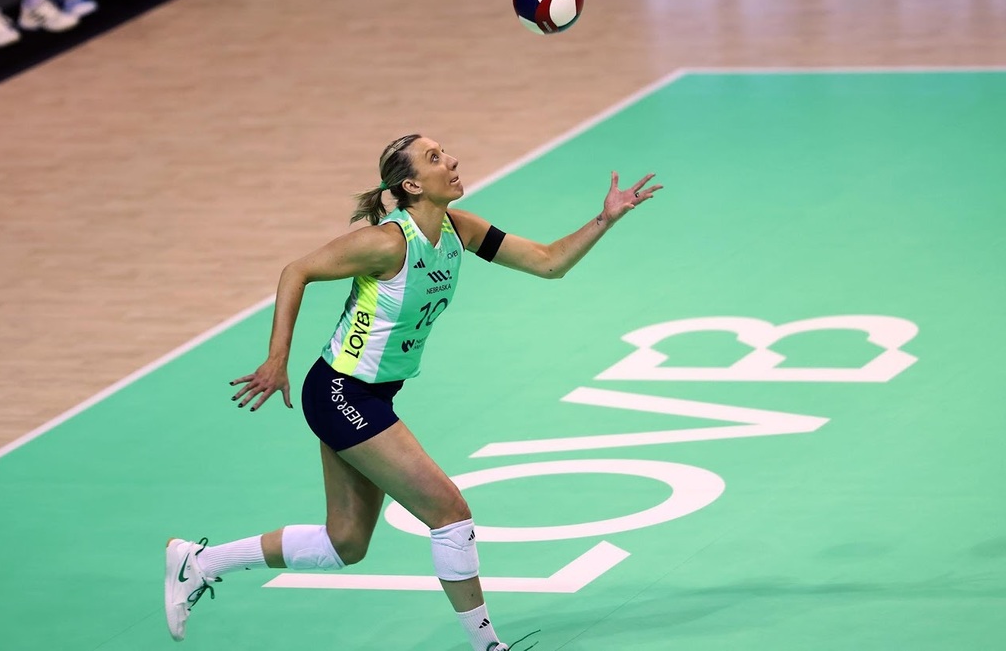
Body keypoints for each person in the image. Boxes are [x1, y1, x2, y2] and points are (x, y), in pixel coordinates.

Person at [164, 134, 661, 650]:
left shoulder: (458, 229)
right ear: (411, 185)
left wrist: (606, 218)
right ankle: (488, 646)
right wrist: (276, 358)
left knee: (345, 543)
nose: (452, 160)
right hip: (341, 392)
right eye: (435, 157)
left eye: (444, 152)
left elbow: (547, 261)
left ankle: (199, 562)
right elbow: (297, 271)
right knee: (449, 512)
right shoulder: (387, 243)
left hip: (373, 395)